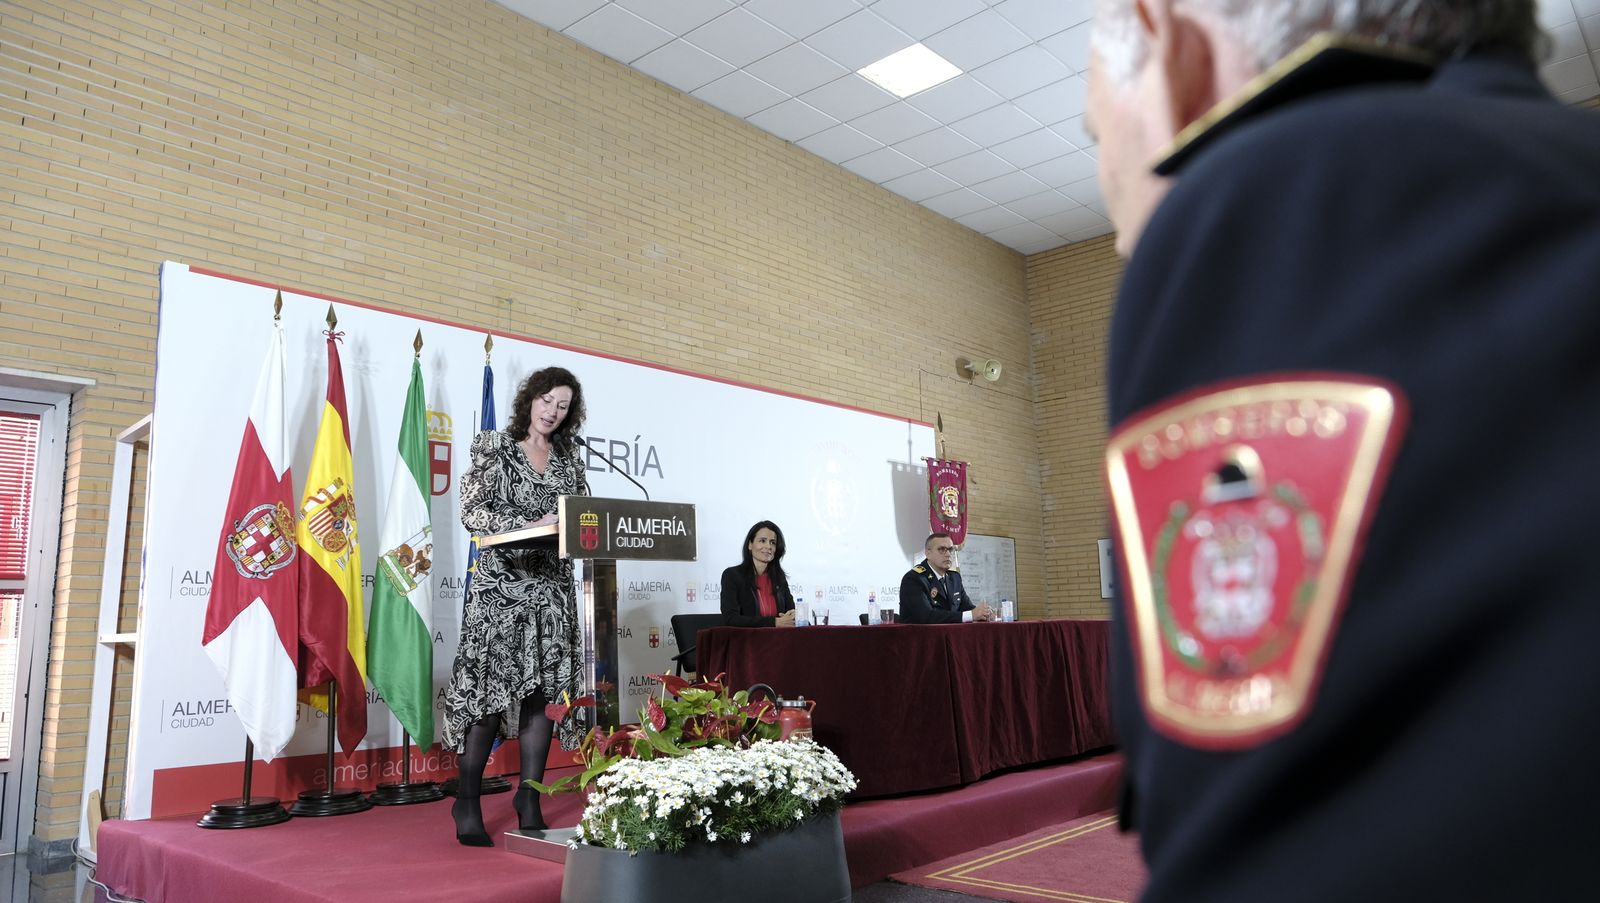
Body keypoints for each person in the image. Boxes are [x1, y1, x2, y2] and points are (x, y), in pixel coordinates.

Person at [1089, 1, 1600, 899]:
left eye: (1097, 133)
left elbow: (1286, 851)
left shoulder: (1282, 200)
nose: (1117, 210)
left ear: (1165, 39)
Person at [441, 366, 590, 846]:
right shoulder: (494, 449)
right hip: (501, 593)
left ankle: (529, 796)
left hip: (550, 594)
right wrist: (535, 519)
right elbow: (474, 512)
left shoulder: (570, 463)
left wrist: (572, 523)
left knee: (539, 700)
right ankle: (466, 799)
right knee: (488, 697)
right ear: (530, 399)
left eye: (563, 405)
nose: (553, 411)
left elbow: (584, 519)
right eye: (547, 399)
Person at [898, 533, 996, 624]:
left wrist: (983, 613)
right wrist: (971, 615)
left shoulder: (954, 578)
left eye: (950, 549)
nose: (948, 554)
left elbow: (967, 608)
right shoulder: (914, 578)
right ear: (928, 553)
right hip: (921, 639)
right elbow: (926, 616)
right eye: (942, 549)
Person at [720, 520, 797, 627]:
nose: (768, 546)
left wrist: (793, 616)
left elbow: (791, 613)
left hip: (779, 640)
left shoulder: (779, 578)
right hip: (747, 641)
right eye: (762, 541)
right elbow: (731, 619)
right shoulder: (732, 575)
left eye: (772, 542)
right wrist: (774, 622)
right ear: (750, 545)